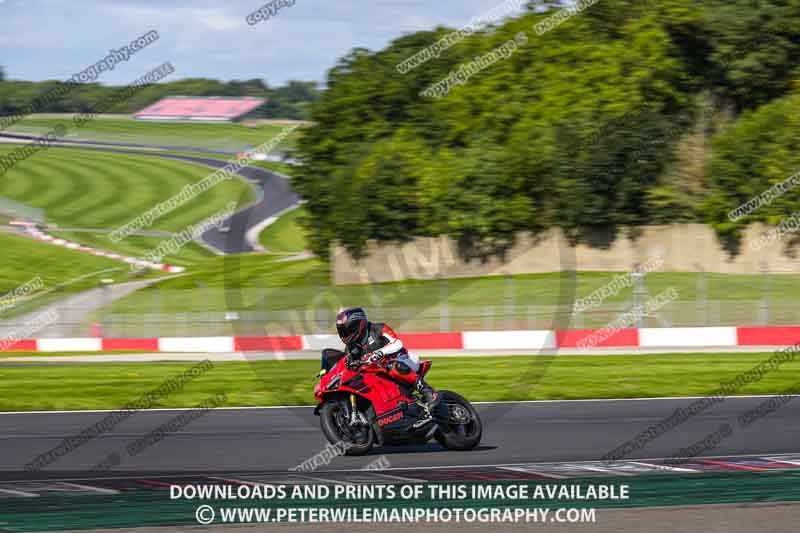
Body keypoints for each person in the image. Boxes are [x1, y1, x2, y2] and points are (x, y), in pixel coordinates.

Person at [321, 307, 439, 411]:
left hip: (404, 360)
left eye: (348, 329)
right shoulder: (350, 348)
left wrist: (380, 353)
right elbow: (349, 365)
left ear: (359, 324)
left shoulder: (378, 328)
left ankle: (428, 391)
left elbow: (397, 343)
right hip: (379, 373)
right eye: (342, 331)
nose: (345, 333)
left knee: (393, 366)